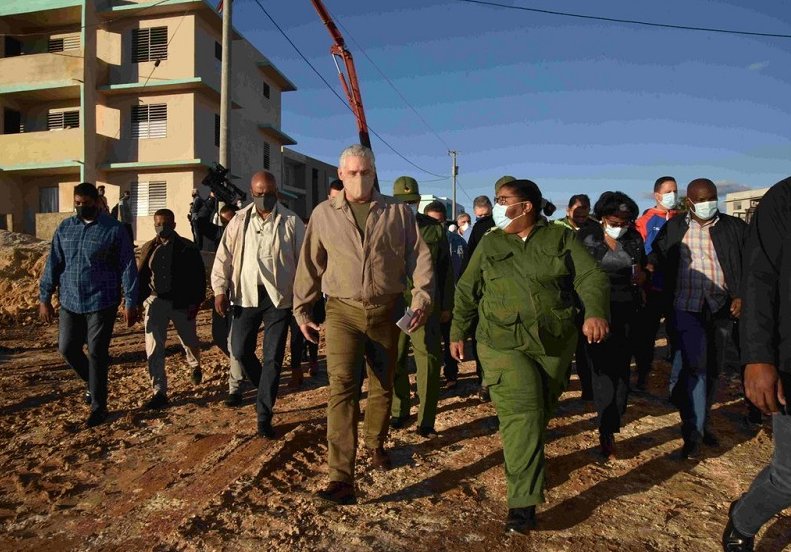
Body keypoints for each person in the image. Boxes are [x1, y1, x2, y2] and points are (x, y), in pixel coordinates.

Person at [450, 179, 609, 534]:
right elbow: (467, 289)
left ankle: (526, 464)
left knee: (540, 411)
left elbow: (589, 275)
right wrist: (458, 330)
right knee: (523, 412)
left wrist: (596, 311)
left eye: (504, 200)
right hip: (501, 341)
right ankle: (522, 503)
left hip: (553, 342)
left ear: (526, 207)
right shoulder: (491, 242)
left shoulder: (561, 238)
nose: (497, 206)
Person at [293, 144, 433, 505]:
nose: (358, 179)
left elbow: (419, 257)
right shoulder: (324, 214)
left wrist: (421, 297)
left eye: (365, 172)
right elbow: (310, 263)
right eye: (351, 173)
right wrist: (302, 309)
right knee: (341, 387)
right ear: (340, 175)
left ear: (374, 173)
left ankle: (375, 443)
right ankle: (341, 479)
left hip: (387, 310)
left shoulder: (398, 214)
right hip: (342, 311)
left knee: (383, 382)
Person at [649, 178, 746, 459]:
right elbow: (658, 255)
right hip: (685, 307)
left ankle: (703, 423)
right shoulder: (676, 226)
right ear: (689, 202)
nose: (708, 204)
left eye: (712, 197)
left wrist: (741, 296)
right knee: (696, 368)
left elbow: (749, 265)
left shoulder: (734, 228)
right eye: (702, 199)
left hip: (720, 308)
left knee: (713, 368)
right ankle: (692, 433)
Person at [723, 176, 791, 552]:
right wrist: (758, 356)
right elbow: (760, 280)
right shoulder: (784, 199)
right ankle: (743, 521)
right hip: (788, 355)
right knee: (789, 478)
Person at [211, 170, 305, 438]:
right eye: (260, 194)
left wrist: (304, 296)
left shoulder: (291, 221)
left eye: (270, 193)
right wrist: (219, 289)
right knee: (239, 350)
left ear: (277, 192)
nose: (265, 198)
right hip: (246, 295)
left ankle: (264, 415)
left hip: (279, 298)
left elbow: (305, 260)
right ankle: (264, 385)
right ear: (252, 193)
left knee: (273, 358)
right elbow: (223, 257)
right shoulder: (239, 221)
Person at [39, 182, 139, 427]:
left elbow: (127, 266)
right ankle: (92, 383)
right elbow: (54, 263)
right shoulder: (65, 228)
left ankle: (98, 407)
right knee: (67, 348)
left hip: (101, 301)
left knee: (96, 353)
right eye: (77, 203)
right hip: (70, 301)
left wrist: (130, 301)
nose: (81, 207)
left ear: (97, 202)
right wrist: (45, 297)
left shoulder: (114, 230)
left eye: (85, 203)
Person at [578, 192, 646, 458]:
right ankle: (606, 428)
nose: (620, 225)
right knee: (602, 371)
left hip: (628, 310)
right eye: (615, 220)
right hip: (595, 311)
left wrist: (642, 275)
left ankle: (614, 416)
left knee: (621, 370)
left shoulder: (633, 239)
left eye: (626, 221)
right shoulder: (586, 238)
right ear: (603, 217)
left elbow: (640, 269)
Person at [389, 178, 454, 437]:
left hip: (424, 305)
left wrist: (446, 305)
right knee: (395, 359)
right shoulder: (384, 226)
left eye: (412, 202)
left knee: (427, 360)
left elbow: (445, 271)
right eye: (403, 202)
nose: (407, 206)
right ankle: (399, 409)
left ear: (418, 202)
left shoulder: (434, 230)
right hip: (394, 304)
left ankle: (426, 419)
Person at [136, 209, 206, 408]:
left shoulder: (188, 247)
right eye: (158, 224)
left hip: (182, 303)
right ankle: (159, 391)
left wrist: (196, 302)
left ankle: (195, 365)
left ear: (174, 225)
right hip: (155, 301)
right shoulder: (148, 247)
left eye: (166, 224)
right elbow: (140, 276)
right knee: (154, 348)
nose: (162, 228)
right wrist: (135, 303)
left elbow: (198, 278)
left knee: (189, 340)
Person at [634, 176, 683, 391]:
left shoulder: (682, 219)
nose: (673, 195)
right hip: (652, 288)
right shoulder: (645, 221)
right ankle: (642, 376)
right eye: (668, 191)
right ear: (657, 195)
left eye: (675, 191)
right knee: (646, 335)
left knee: (679, 336)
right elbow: (636, 252)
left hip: (678, 288)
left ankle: (677, 384)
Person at [554, 194, 597, 400]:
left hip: (584, 296)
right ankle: (558, 386)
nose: (581, 215)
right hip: (561, 294)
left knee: (585, 348)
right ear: (568, 210)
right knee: (561, 346)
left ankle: (588, 388)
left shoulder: (595, 229)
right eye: (578, 211)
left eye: (585, 210)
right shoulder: (555, 229)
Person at [424, 200, 467, 388]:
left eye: (439, 222)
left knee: (451, 337)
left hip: (451, 298)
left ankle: (451, 375)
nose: (436, 226)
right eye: (431, 221)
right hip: (427, 299)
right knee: (428, 343)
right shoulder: (416, 241)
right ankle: (428, 376)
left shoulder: (457, 242)